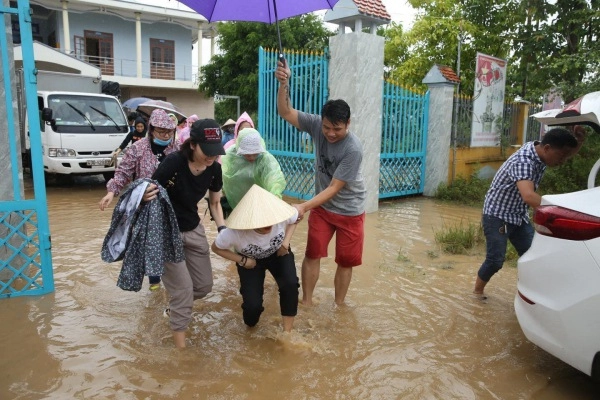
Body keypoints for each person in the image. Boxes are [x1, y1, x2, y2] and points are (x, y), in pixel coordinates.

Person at [275, 60, 366, 306]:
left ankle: (339, 306)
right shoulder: (316, 124)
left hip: (350, 210)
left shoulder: (353, 149)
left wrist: (303, 206)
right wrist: (284, 84)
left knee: (345, 261)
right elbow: (285, 112)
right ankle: (306, 302)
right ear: (321, 121)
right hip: (324, 210)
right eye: (327, 127)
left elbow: (335, 188)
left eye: (337, 128)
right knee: (312, 253)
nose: (330, 133)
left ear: (348, 124)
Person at [473, 126, 585, 299]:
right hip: (497, 214)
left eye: (565, 156)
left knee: (532, 257)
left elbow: (564, 151)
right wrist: (562, 210)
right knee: (495, 260)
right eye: (561, 156)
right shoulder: (525, 161)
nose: (563, 161)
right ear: (547, 148)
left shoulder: (540, 150)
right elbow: (529, 196)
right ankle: (477, 293)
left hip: (518, 215)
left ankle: (528, 295)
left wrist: (579, 143)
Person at [143, 118, 226, 348]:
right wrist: (142, 194)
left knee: (203, 286)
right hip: (167, 231)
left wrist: (222, 229)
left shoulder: (214, 169)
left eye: (215, 151)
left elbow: (215, 203)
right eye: (207, 151)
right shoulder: (174, 163)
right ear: (192, 144)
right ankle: (181, 353)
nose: (212, 157)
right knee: (183, 290)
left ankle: (173, 308)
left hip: (193, 228)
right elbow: (150, 190)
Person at [99, 108, 179, 290]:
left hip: (172, 203)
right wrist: (112, 191)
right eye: (161, 131)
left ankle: (172, 281)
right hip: (147, 203)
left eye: (169, 131)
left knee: (172, 243)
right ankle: (154, 283)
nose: (166, 135)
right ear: (151, 130)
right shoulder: (138, 148)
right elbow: (123, 172)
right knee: (150, 242)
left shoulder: (177, 148)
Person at [211, 184, 299, 332]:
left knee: (290, 285)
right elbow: (216, 248)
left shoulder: (280, 214)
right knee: (252, 307)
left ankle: (287, 332)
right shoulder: (233, 232)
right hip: (250, 262)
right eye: (262, 222)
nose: (268, 225)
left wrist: (285, 243)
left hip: (278, 254)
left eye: (270, 220)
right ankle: (250, 330)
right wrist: (242, 261)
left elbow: (297, 217)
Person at [221, 127, 286, 210]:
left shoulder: (265, 159)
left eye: (255, 154)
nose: (252, 157)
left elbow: (274, 177)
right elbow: (223, 175)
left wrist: (275, 195)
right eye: (247, 154)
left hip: (260, 203)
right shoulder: (231, 155)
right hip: (236, 202)